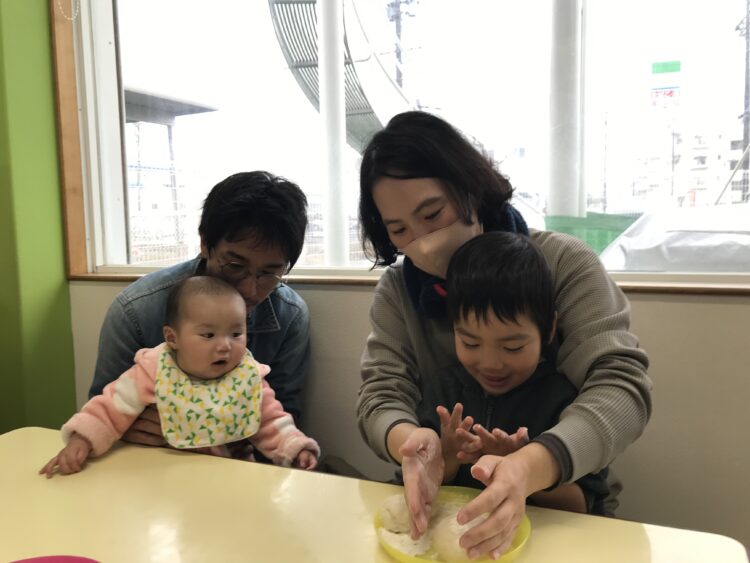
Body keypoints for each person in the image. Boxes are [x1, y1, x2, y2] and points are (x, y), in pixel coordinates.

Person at [356, 111, 651, 560]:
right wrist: (411, 442)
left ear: (470, 188)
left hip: (563, 523)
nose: (422, 240)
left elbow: (621, 388)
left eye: (432, 214)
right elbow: (381, 394)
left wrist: (531, 465)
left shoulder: (561, 264)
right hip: (446, 510)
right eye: (399, 230)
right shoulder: (399, 291)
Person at [91, 171, 311, 448]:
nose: (249, 289)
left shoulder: (290, 316)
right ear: (205, 243)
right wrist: (128, 430)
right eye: (235, 266)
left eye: (269, 273)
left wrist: (210, 432)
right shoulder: (137, 310)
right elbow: (100, 412)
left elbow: (283, 420)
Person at [41, 276, 320, 477]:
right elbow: (109, 408)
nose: (225, 345)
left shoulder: (247, 375)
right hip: (161, 474)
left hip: (230, 476)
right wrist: (81, 440)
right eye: (208, 335)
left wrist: (295, 449)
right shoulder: (155, 370)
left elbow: (273, 422)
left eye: (236, 333)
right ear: (172, 338)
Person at [438, 231, 609, 521]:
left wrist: (526, 468)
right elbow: (420, 486)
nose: (491, 364)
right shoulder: (445, 391)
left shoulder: (564, 401)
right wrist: (447, 457)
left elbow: (581, 506)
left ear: (549, 330)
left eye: (513, 347)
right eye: (470, 343)